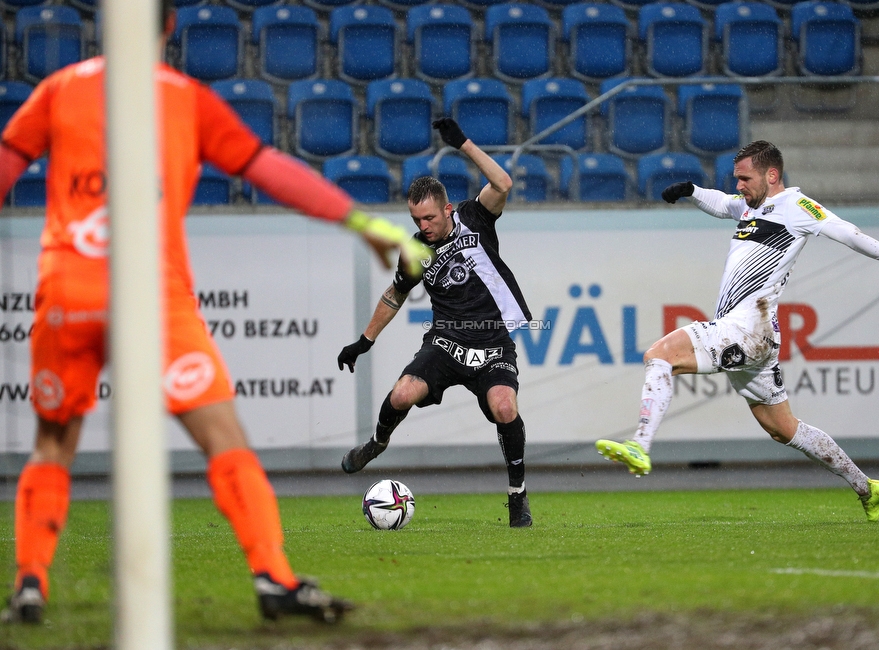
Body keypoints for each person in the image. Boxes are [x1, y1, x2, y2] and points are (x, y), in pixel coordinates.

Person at [0, 0, 428, 625]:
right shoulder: (186, 99)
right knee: (223, 439)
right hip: (152, 294)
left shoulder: (58, 90)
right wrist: (361, 221)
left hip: (68, 291)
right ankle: (273, 577)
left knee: (53, 442)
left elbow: (6, 166)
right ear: (169, 27)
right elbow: (270, 171)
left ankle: (30, 583)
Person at [595, 140, 879, 522]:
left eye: (745, 178)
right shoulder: (751, 206)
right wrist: (691, 191)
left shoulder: (797, 207)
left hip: (747, 329)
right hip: (755, 334)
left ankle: (641, 444)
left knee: (660, 355)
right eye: (736, 178)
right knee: (783, 428)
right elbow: (722, 203)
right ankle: (868, 488)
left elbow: (847, 231)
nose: (739, 185)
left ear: (772, 176)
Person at [336, 118, 535, 528]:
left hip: (493, 342)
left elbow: (503, 184)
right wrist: (364, 340)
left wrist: (463, 143)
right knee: (401, 395)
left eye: (428, 218)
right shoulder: (416, 251)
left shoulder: (475, 218)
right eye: (416, 221)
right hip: (445, 343)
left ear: (446, 208)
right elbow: (395, 295)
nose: (422, 227)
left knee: (504, 406)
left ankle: (517, 496)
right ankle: (377, 443)